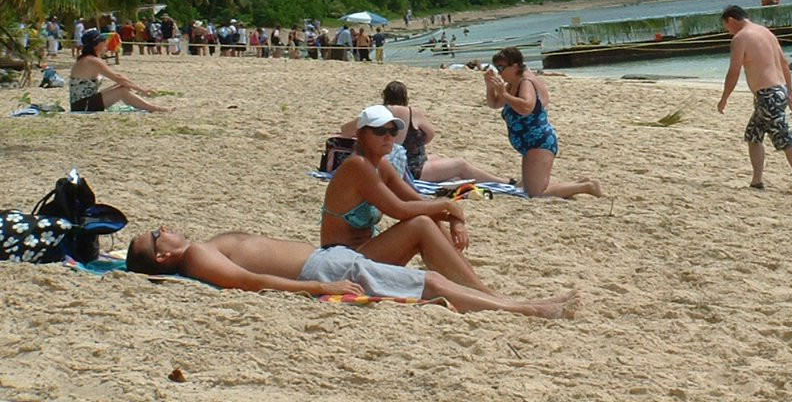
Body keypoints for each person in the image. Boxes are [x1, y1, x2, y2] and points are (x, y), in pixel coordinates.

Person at [125, 226, 578, 317]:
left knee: (430, 281)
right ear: (163, 258)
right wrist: (319, 286)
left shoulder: (194, 253)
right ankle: (525, 308)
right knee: (432, 284)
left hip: (329, 259)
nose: (164, 228)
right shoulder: (196, 257)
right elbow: (251, 282)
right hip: (324, 267)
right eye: (156, 235)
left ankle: (511, 302)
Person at [321, 105, 495, 293]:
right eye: (380, 131)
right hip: (340, 263)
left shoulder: (382, 166)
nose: (388, 137)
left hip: (362, 254)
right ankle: (478, 291)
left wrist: (455, 219)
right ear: (361, 135)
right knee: (421, 223)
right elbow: (399, 210)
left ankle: (476, 287)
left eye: (393, 131)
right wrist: (446, 204)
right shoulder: (357, 166)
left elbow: (419, 202)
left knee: (428, 219)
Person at [717, 5, 792, 194]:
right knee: (753, 134)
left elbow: (734, 71)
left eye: (726, 27)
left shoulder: (741, 38)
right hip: (776, 91)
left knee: (785, 138)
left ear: (731, 21)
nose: (728, 31)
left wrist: (724, 98)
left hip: (768, 95)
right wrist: (790, 91)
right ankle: (757, 180)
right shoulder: (765, 32)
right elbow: (784, 64)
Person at [484, 48, 602, 199]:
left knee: (536, 193)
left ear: (514, 66)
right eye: (496, 68)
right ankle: (580, 182)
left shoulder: (526, 82)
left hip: (539, 141)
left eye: (501, 68)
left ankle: (587, 187)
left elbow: (527, 106)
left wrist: (504, 94)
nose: (499, 72)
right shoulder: (511, 84)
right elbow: (494, 103)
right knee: (530, 188)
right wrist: (490, 86)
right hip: (529, 144)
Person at [338, 81, 507, 184]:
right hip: (411, 168)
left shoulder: (377, 113)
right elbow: (431, 135)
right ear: (405, 96)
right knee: (460, 164)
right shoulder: (413, 112)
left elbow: (345, 130)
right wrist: (415, 144)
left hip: (392, 161)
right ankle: (503, 182)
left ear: (384, 95)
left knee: (438, 157)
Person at [68, 29, 173, 113]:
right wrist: (142, 90)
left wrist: (135, 87)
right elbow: (118, 78)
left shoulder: (88, 59)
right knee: (121, 90)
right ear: (96, 45)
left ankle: (148, 106)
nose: (106, 43)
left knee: (123, 87)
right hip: (82, 106)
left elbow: (120, 78)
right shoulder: (91, 60)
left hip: (83, 102)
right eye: (103, 41)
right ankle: (154, 108)